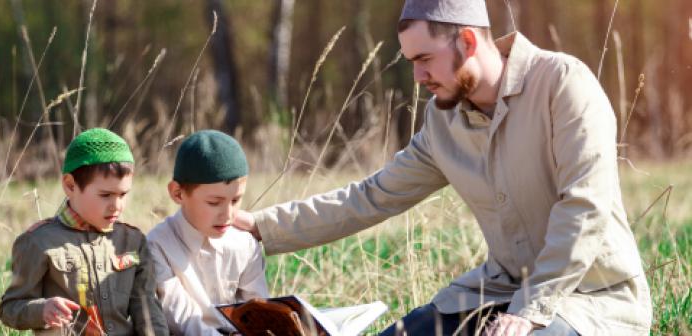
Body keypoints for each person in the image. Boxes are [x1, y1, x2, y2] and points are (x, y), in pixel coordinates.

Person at [233, 0, 652, 335]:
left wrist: (531, 310)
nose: (417, 77)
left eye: (425, 59)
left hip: (594, 300)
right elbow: (371, 197)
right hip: (498, 293)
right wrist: (261, 227)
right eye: (411, 62)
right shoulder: (442, 121)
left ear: (468, 41)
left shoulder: (563, 83)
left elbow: (584, 207)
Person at [0, 128, 168, 335]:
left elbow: (147, 309)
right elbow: (9, 309)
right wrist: (41, 310)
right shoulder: (38, 241)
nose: (117, 205)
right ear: (70, 186)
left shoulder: (133, 241)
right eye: (105, 195)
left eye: (123, 194)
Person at [147, 130, 269, 335]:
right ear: (177, 193)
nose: (228, 214)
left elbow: (259, 311)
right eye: (214, 203)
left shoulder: (245, 244)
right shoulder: (156, 245)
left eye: (236, 200)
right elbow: (181, 320)